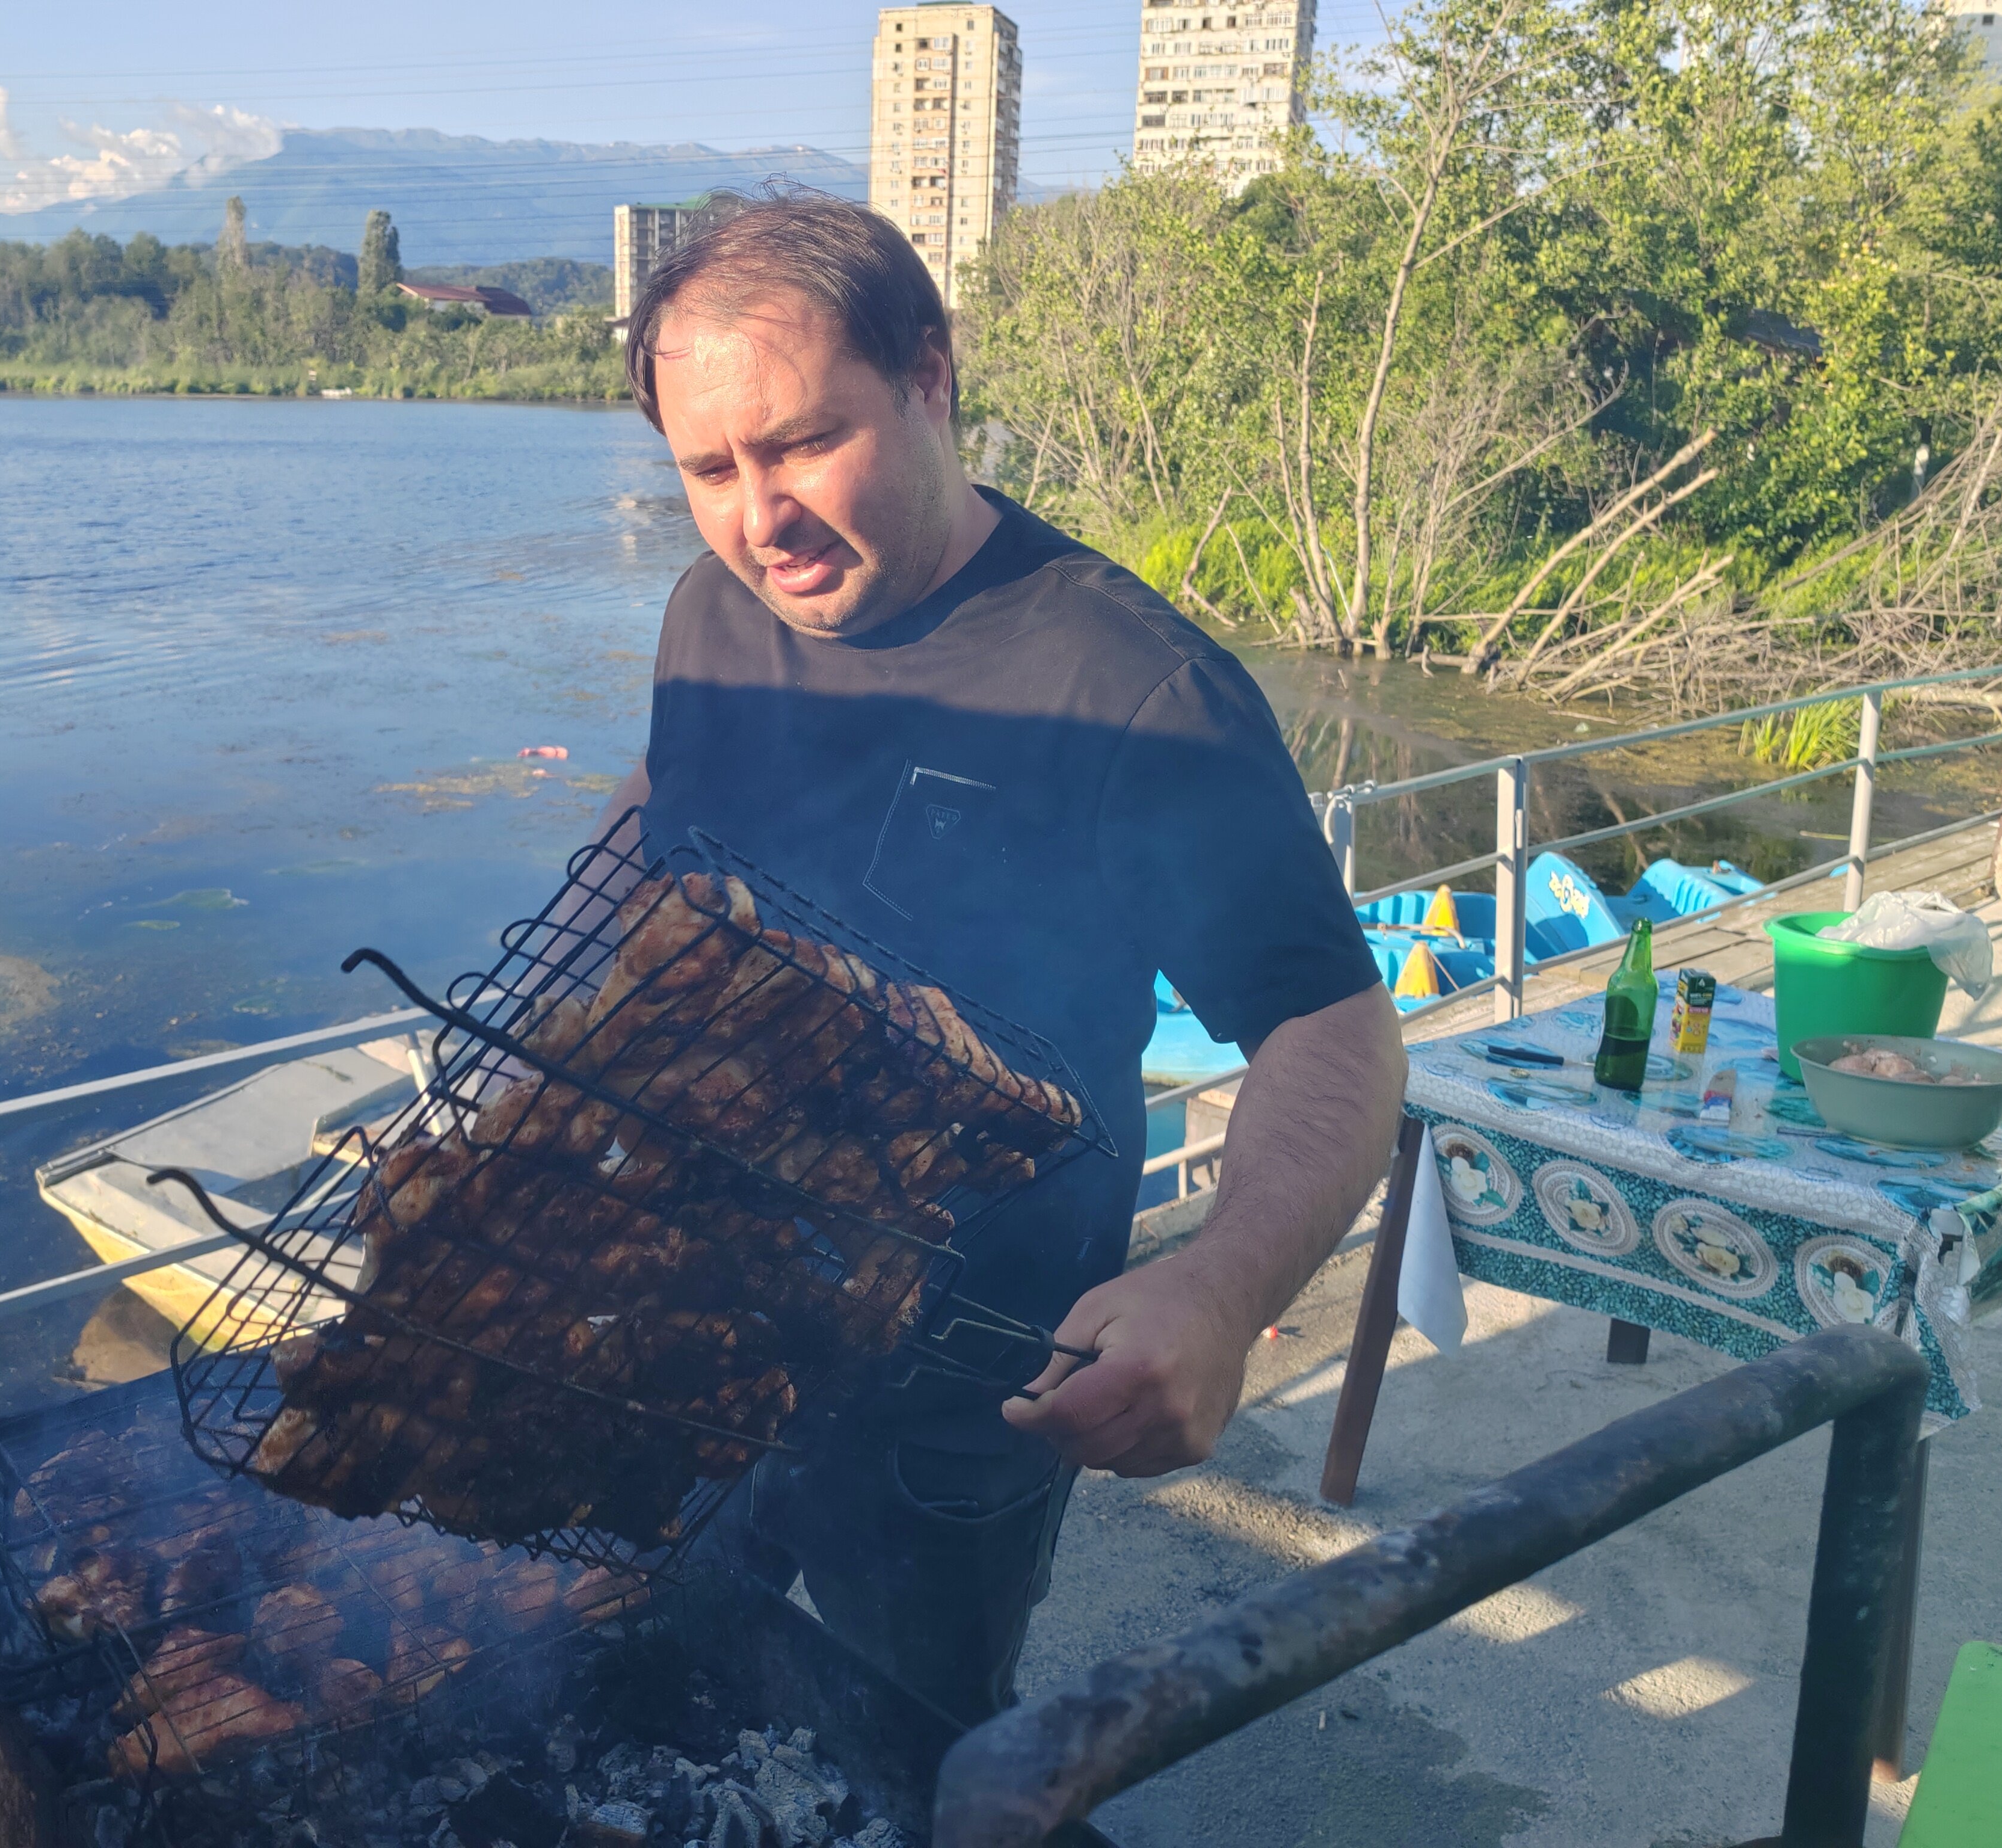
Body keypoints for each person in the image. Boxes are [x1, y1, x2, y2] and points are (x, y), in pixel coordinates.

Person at [603, 190, 1406, 1722]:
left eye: (798, 443)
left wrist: (1219, 1294)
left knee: (907, 1736)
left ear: (929, 373)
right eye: (707, 468)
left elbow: (1332, 1034)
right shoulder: (711, 606)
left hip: (955, 1384)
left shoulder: (1128, 686)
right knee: (652, 1681)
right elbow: (670, 796)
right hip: (686, 1317)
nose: (755, 518)